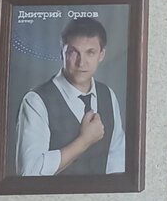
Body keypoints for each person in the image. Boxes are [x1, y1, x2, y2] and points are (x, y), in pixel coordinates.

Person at [15, 16, 125, 176]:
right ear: (62, 52)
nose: (81, 62)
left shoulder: (108, 95)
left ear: (101, 55)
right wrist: (84, 141)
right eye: (73, 52)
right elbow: (29, 172)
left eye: (90, 53)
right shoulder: (35, 101)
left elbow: (117, 161)